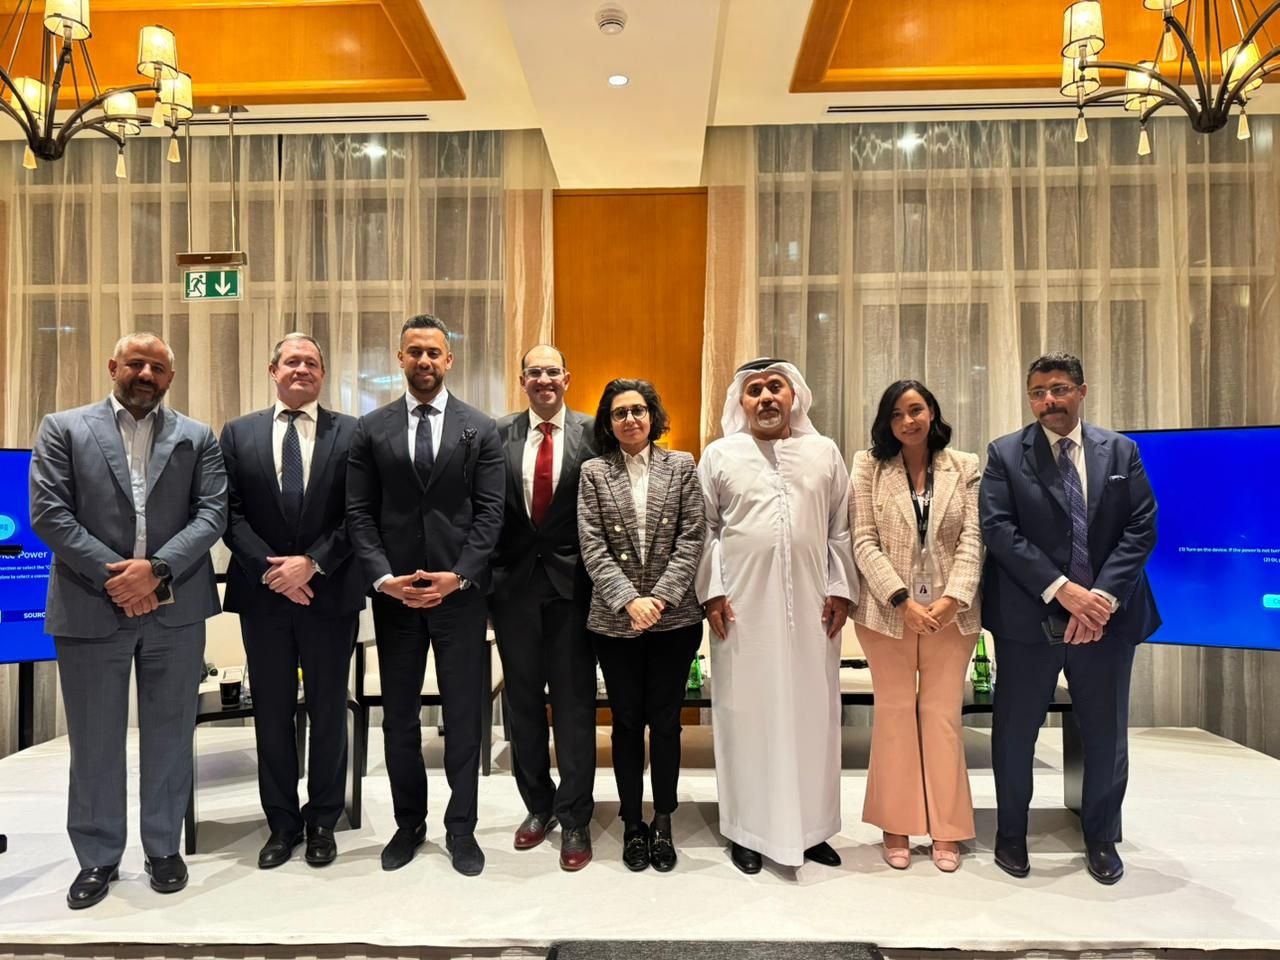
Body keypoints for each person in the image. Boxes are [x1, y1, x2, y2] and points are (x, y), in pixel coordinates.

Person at [28, 332, 227, 909]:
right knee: (95, 741)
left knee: (170, 736)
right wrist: (118, 578)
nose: (146, 374)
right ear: (113, 366)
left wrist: (155, 572)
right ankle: (98, 856)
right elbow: (48, 513)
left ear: (170, 378)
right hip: (90, 605)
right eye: (136, 364)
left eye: (158, 368)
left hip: (175, 609)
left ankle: (163, 848)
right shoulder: (62, 428)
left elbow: (212, 512)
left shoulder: (197, 436)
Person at [981, 352, 1160, 885]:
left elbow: (1141, 526)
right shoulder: (1005, 454)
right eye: (1037, 392)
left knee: (1105, 732)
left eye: (1058, 389)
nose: (1048, 401)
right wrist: (1065, 592)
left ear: (1082, 391)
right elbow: (999, 530)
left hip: (1108, 617)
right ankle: (1011, 833)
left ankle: (1101, 837)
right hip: (1029, 616)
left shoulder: (1121, 450)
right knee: (1016, 732)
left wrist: (1099, 598)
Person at [346, 314, 504, 877]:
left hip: (460, 598)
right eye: (414, 351)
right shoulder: (371, 429)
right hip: (395, 597)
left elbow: (491, 514)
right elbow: (359, 513)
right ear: (400, 359)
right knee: (399, 719)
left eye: (434, 352)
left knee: (464, 716)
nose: (425, 361)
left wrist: (458, 576)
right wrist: (383, 578)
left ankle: (462, 828)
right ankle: (408, 823)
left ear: (449, 359)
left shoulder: (479, 428)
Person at [695, 358, 857, 874]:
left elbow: (840, 528)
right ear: (740, 403)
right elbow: (705, 530)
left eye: (775, 387)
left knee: (813, 717)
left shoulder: (823, 452)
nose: (765, 397)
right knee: (747, 717)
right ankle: (748, 830)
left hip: (814, 610)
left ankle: (813, 829)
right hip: (741, 612)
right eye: (754, 390)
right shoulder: (720, 455)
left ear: (794, 396)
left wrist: (841, 589)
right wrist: (713, 594)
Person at [219, 333, 366, 870]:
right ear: (273, 370)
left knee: (328, 711)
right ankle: (281, 823)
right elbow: (228, 513)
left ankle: (323, 820)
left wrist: (312, 563)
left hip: (330, 594)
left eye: (311, 362)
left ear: (322, 374)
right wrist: (273, 571)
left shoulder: (352, 432)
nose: (301, 369)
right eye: (292, 361)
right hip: (264, 599)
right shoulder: (238, 433)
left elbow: (359, 512)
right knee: (272, 712)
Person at [849, 380, 983, 873]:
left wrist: (953, 598)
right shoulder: (868, 466)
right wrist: (902, 599)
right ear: (887, 422)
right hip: (888, 613)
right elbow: (863, 540)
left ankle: (948, 827)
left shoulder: (964, 466)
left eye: (916, 410)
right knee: (895, 714)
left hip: (953, 613)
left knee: (943, 716)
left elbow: (974, 539)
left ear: (932, 413)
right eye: (897, 414)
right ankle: (896, 823)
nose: (908, 421)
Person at [578, 379, 706, 873]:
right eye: (619, 413)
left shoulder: (683, 465)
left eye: (638, 410)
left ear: (653, 416)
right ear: (608, 423)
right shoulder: (594, 472)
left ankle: (664, 820)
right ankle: (633, 822)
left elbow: (692, 537)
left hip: (675, 620)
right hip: (615, 623)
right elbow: (592, 545)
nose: (630, 419)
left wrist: (660, 597)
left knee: (667, 723)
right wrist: (630, 601)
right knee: (627, 723)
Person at [491, 345, 600, 870]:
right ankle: (538, 806)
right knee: (523, 705)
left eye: (552, 371)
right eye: (534, 372)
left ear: (567, 378)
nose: (544, 379)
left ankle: (575, 815)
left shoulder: (595, 433)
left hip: (574, 588)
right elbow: (486, 511)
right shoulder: (496, 434)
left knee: (575, 705)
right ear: (523, 381)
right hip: (512, 590)